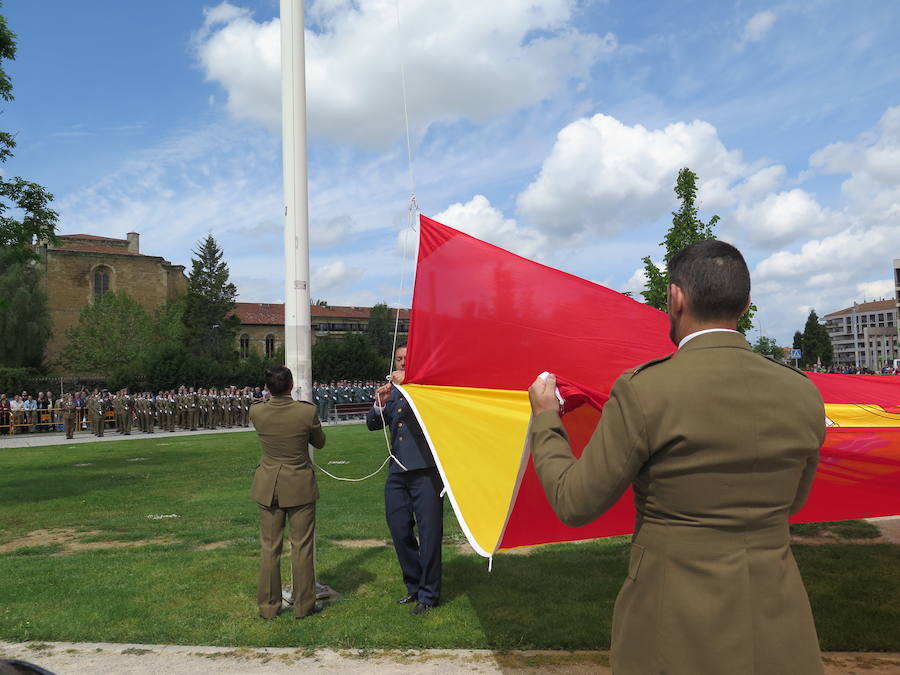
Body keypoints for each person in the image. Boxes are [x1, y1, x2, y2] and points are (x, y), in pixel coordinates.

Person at [527, 240, 825, 675]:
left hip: (675, 625)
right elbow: (793, 501)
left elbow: (574, 502)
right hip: (778, 624)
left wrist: (546, 420)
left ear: (676, 297)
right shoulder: (802, 392)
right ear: (745, 304)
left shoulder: (645, 389)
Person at [366, 344, 444, 615]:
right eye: (398, 359)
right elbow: (373, 424)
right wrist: (379, 404)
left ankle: (429, 594)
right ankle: (414, 585)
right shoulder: (394, 391)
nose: (401, 363)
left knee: (430, 534)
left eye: (406, 359)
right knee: (399, 529)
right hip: (398, 471)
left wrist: (413, 383)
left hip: (425, 471)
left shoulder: (429, 389)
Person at [249, 365, 326, 620]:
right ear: (291, 385)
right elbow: (320, 442)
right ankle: (304, 606)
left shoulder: (257, 410)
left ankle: (268, 607)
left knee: (270, 548)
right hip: (298, 484)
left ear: (267, 387)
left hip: (268, 484)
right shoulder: (306, 411)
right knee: (301, 547)